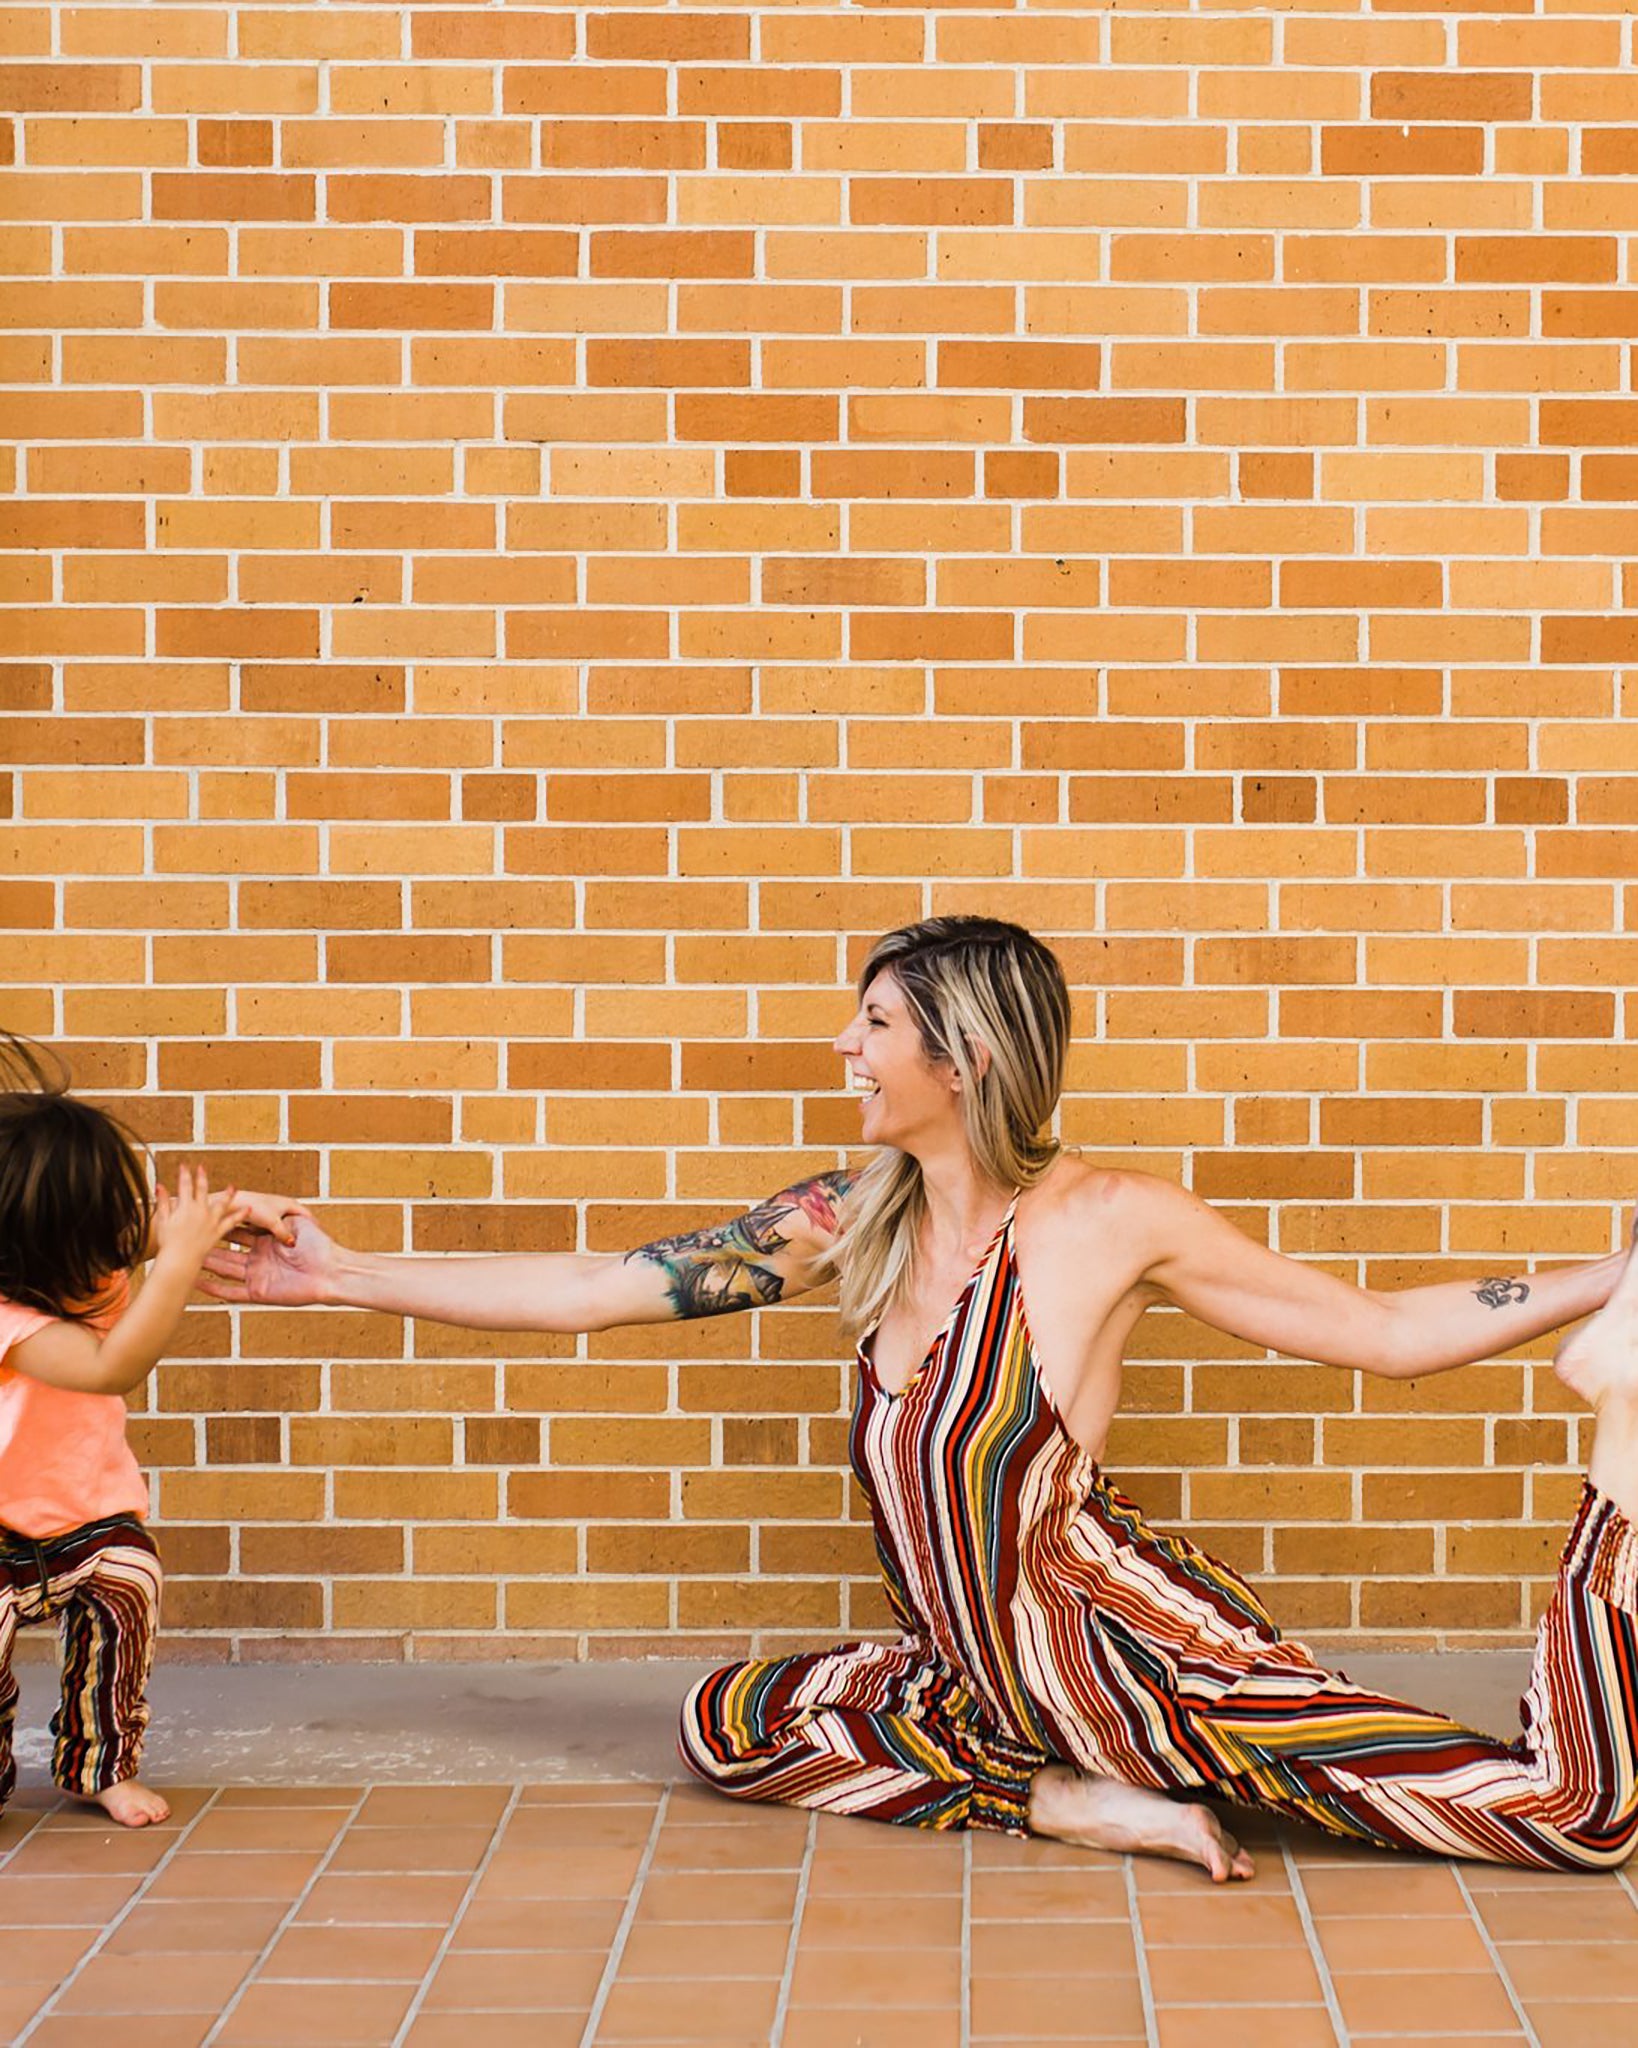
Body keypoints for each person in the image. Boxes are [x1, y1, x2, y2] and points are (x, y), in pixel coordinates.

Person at [203, 917, 1638, 1880]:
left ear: (964, 1058)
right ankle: (1055, 1801)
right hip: (976, 1688)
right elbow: (598, 1286)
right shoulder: (849, 1215)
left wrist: (1607, 1285)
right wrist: (336, 1278)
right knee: (728, 1721)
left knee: (1571, 1819)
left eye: (874, 1022)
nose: (844, 1044)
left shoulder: (1107, 1221)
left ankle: (1626, 1473)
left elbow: (1381, 1334)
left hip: (1140, 1668)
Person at [0, 1038, 287, 1827]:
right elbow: (110, 1366)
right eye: (110, 1211)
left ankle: (98, 1765)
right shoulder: (13, 1321)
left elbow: (153, 1232)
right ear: (51, 1234)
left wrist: (240, 1211)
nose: (133, 1224)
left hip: (86, 1519)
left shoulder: (83, 1261)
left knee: (127, 1591)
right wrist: (180, 1259)